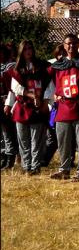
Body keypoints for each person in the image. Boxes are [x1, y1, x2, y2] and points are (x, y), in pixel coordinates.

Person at [49, 34, 79, 180]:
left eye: (74, 43)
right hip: (63, 107)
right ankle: (64, 169)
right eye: (68, 43)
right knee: (63, 140)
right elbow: (51, 83)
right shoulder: (58, 65)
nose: (71, 46)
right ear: (64, 45)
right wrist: (55, 95)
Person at [5, 40, 54, 174]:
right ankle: (26, 166)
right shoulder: (16, 69)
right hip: (22, 107)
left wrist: (44, 101)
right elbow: (16, 89)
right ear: (21, 51)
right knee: (23, 140)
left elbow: (49, 86)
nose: (28, 51)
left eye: (30, 48)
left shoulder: (42, 67)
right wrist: (8, 105)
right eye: (25, 48)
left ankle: (35, 167)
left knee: (37, 141)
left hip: (37, 109)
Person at [0, 43, 18, 170]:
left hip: (6, 101)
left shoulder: (10, 67)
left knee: (8, 132)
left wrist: (8, 103)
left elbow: (11, 88)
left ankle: (10, 158)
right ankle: (4, 157)